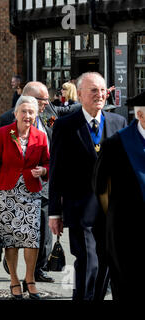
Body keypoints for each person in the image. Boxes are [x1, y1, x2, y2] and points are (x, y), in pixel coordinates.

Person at [48, 72, 127, 300]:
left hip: (111, 212)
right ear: (80, 94)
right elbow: (57, 171)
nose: (100, 95)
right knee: (88, 261)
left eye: (103, 90)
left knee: (106, 263)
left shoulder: (118, 122)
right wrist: (54, 212)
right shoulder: (65, 126)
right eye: (93, 90)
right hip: (80, 210)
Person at [0, 95, 50, 300]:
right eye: (23, 111)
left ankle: (29, 280)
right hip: (7, 193)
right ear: (15, 114)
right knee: (11, 240)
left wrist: (43, 170)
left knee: (32, 239)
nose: (27, 115)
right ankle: (14, 279)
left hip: (31, 193)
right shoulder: (3, 133)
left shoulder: (40, 136)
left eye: (31, 112)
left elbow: (48, 163)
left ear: (36, 114)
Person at [92, 94, 145, 300]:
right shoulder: (116, 144)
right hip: (126, 230)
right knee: (127, 284)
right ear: (140, 115)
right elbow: (100, 186)